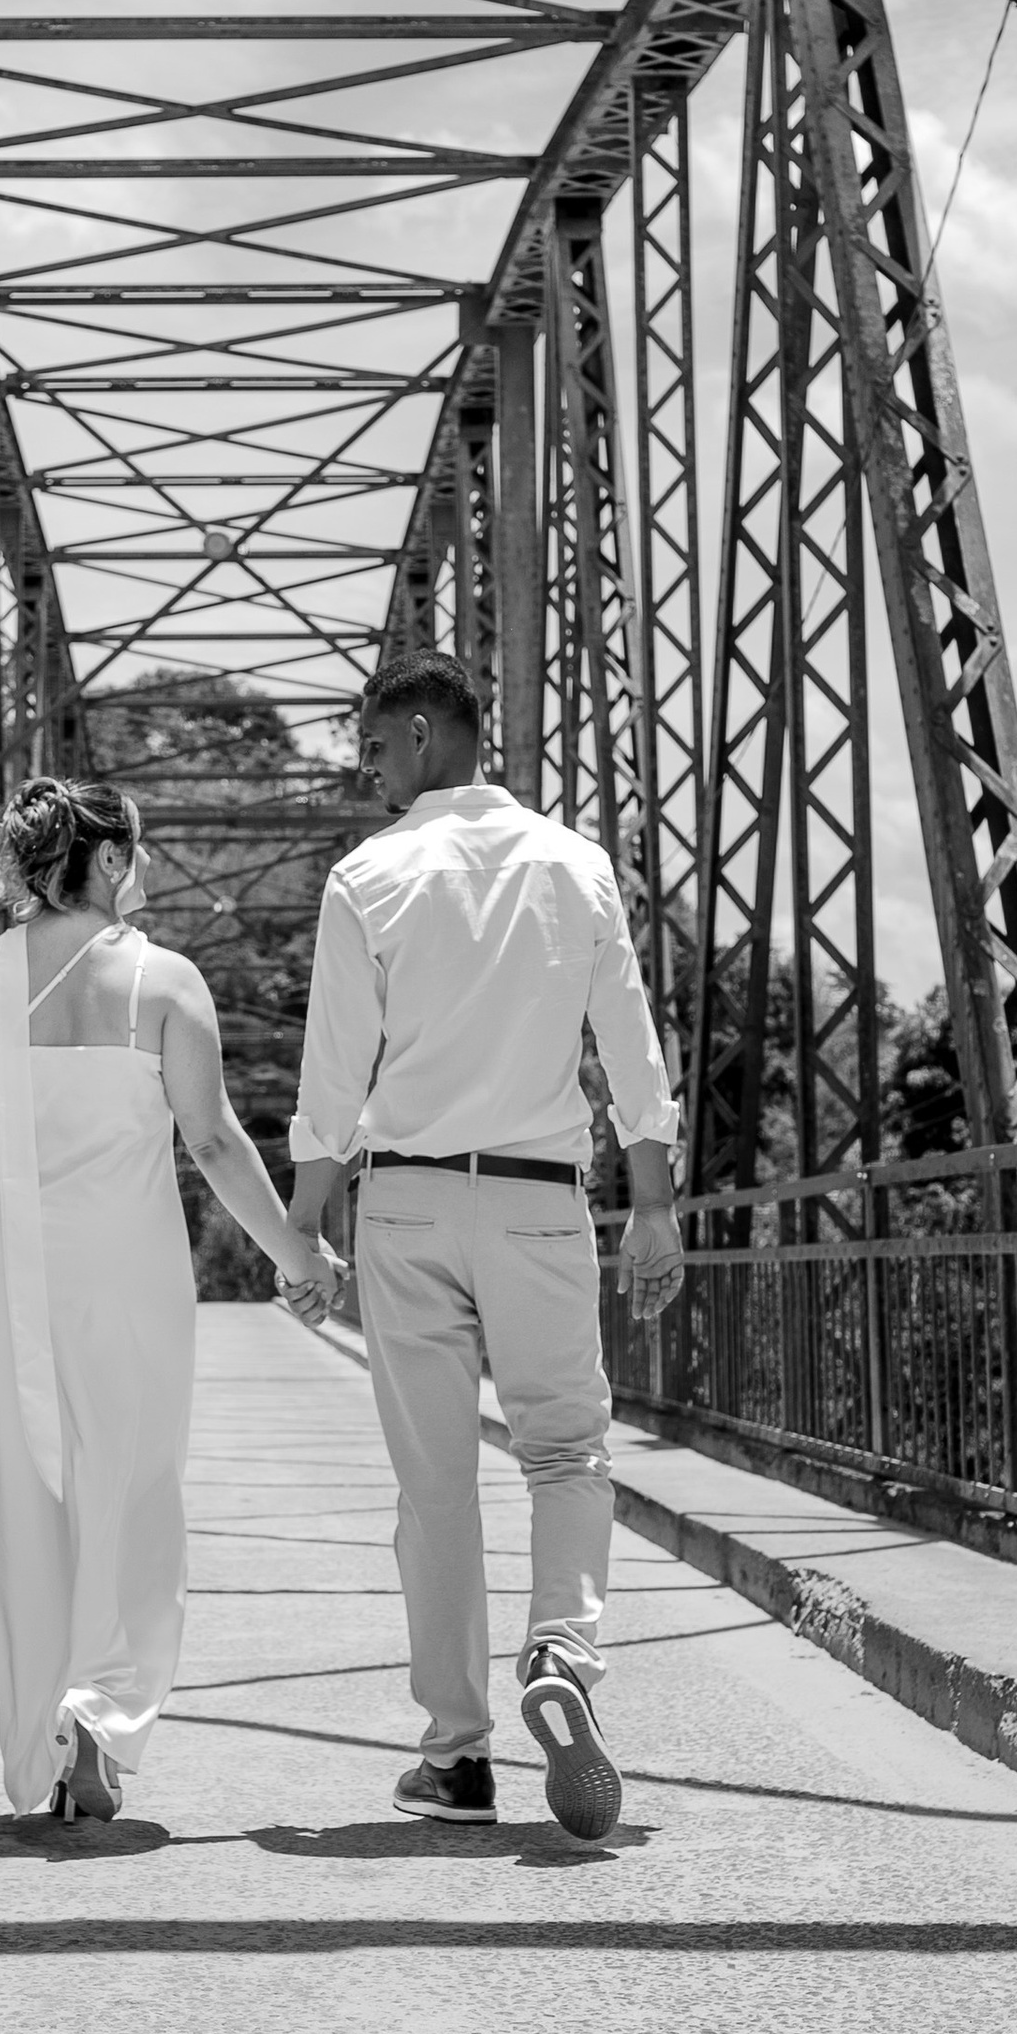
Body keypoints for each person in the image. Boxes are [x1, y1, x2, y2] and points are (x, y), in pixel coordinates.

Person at [0, 776, 338, 1825]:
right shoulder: (165, 982)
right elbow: (211, 1138)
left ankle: (45, 1723)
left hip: (8, 1271)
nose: (151, 863)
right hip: (131, 1273)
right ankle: (99, 1710)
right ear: (111, 859)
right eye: (143, 847)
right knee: (130, 1484)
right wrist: (296, 1256)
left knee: (25, 1494)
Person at [286, 648, 686, 1843]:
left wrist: (303, 1227)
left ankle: (456, 1759)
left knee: (434, 1485)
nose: (366, 771)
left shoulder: (365, 876)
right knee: (567, 1453)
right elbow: (630, 1046)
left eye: (371, 746)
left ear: (421, 734)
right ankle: (561, 1651)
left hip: (404, 1203)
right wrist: (654, 1204)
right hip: (537, 1201)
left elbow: (330, 1073)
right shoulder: (575, 865)